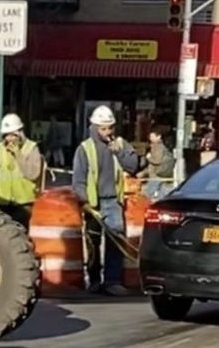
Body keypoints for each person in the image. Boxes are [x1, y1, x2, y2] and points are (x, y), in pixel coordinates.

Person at [72, 105, 145, 296]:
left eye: (110, 128)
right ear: (94, 127)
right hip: (93, 203)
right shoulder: (84, 149)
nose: (107, 132)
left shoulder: (121, 144)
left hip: (113, 202)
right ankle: (95, 280)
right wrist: (83, 200)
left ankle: (113, 281)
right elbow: (78, 179)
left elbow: (133, 166)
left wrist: (119, 152)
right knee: (93, 242)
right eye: (103, 128)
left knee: (115, 243)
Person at [0, 113, 44, 229]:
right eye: (7, 135)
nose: (10, 139)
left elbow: (33, 174)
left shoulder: (31, 148)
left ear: (20, 133)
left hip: (24, 203)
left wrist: (18, 155)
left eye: (13, 135)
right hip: (4, 201)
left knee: (22, 233)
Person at [140, 127, 175, 200]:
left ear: (159, 137)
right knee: (161, 192)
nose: (150, 138)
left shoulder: (158, 146)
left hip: (156, 174)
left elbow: (157, 161)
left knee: (148, 193)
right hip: (160, 173)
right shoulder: (157, 146)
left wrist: (149, 157)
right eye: (150, 136)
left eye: (152, 136)